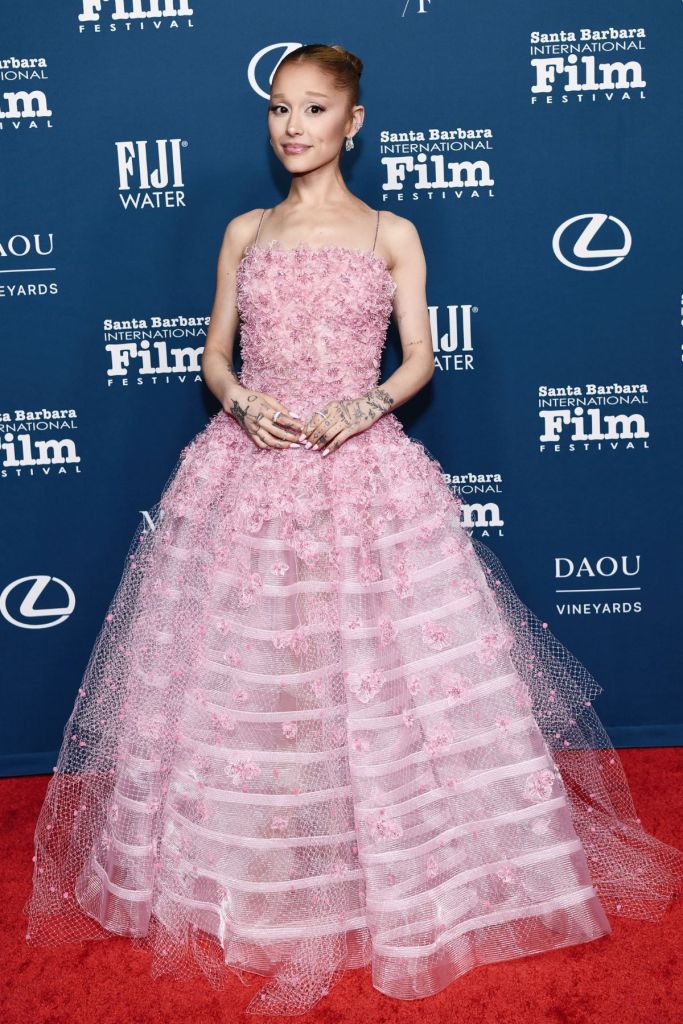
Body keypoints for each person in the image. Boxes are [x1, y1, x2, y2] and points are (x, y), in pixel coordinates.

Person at [23, 43, 683, 1016]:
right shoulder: (244, 229)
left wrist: (362, 404)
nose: (292, 125)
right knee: (256, 672)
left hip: (358, 464)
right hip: (245, 473)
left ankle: (385, 858)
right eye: (280, 108)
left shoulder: (390, 232)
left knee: (372, 670)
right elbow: (213, 355)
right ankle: (259, 852)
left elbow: (419, 357)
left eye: (314, 108)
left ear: (352, 122)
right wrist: (243, 401)